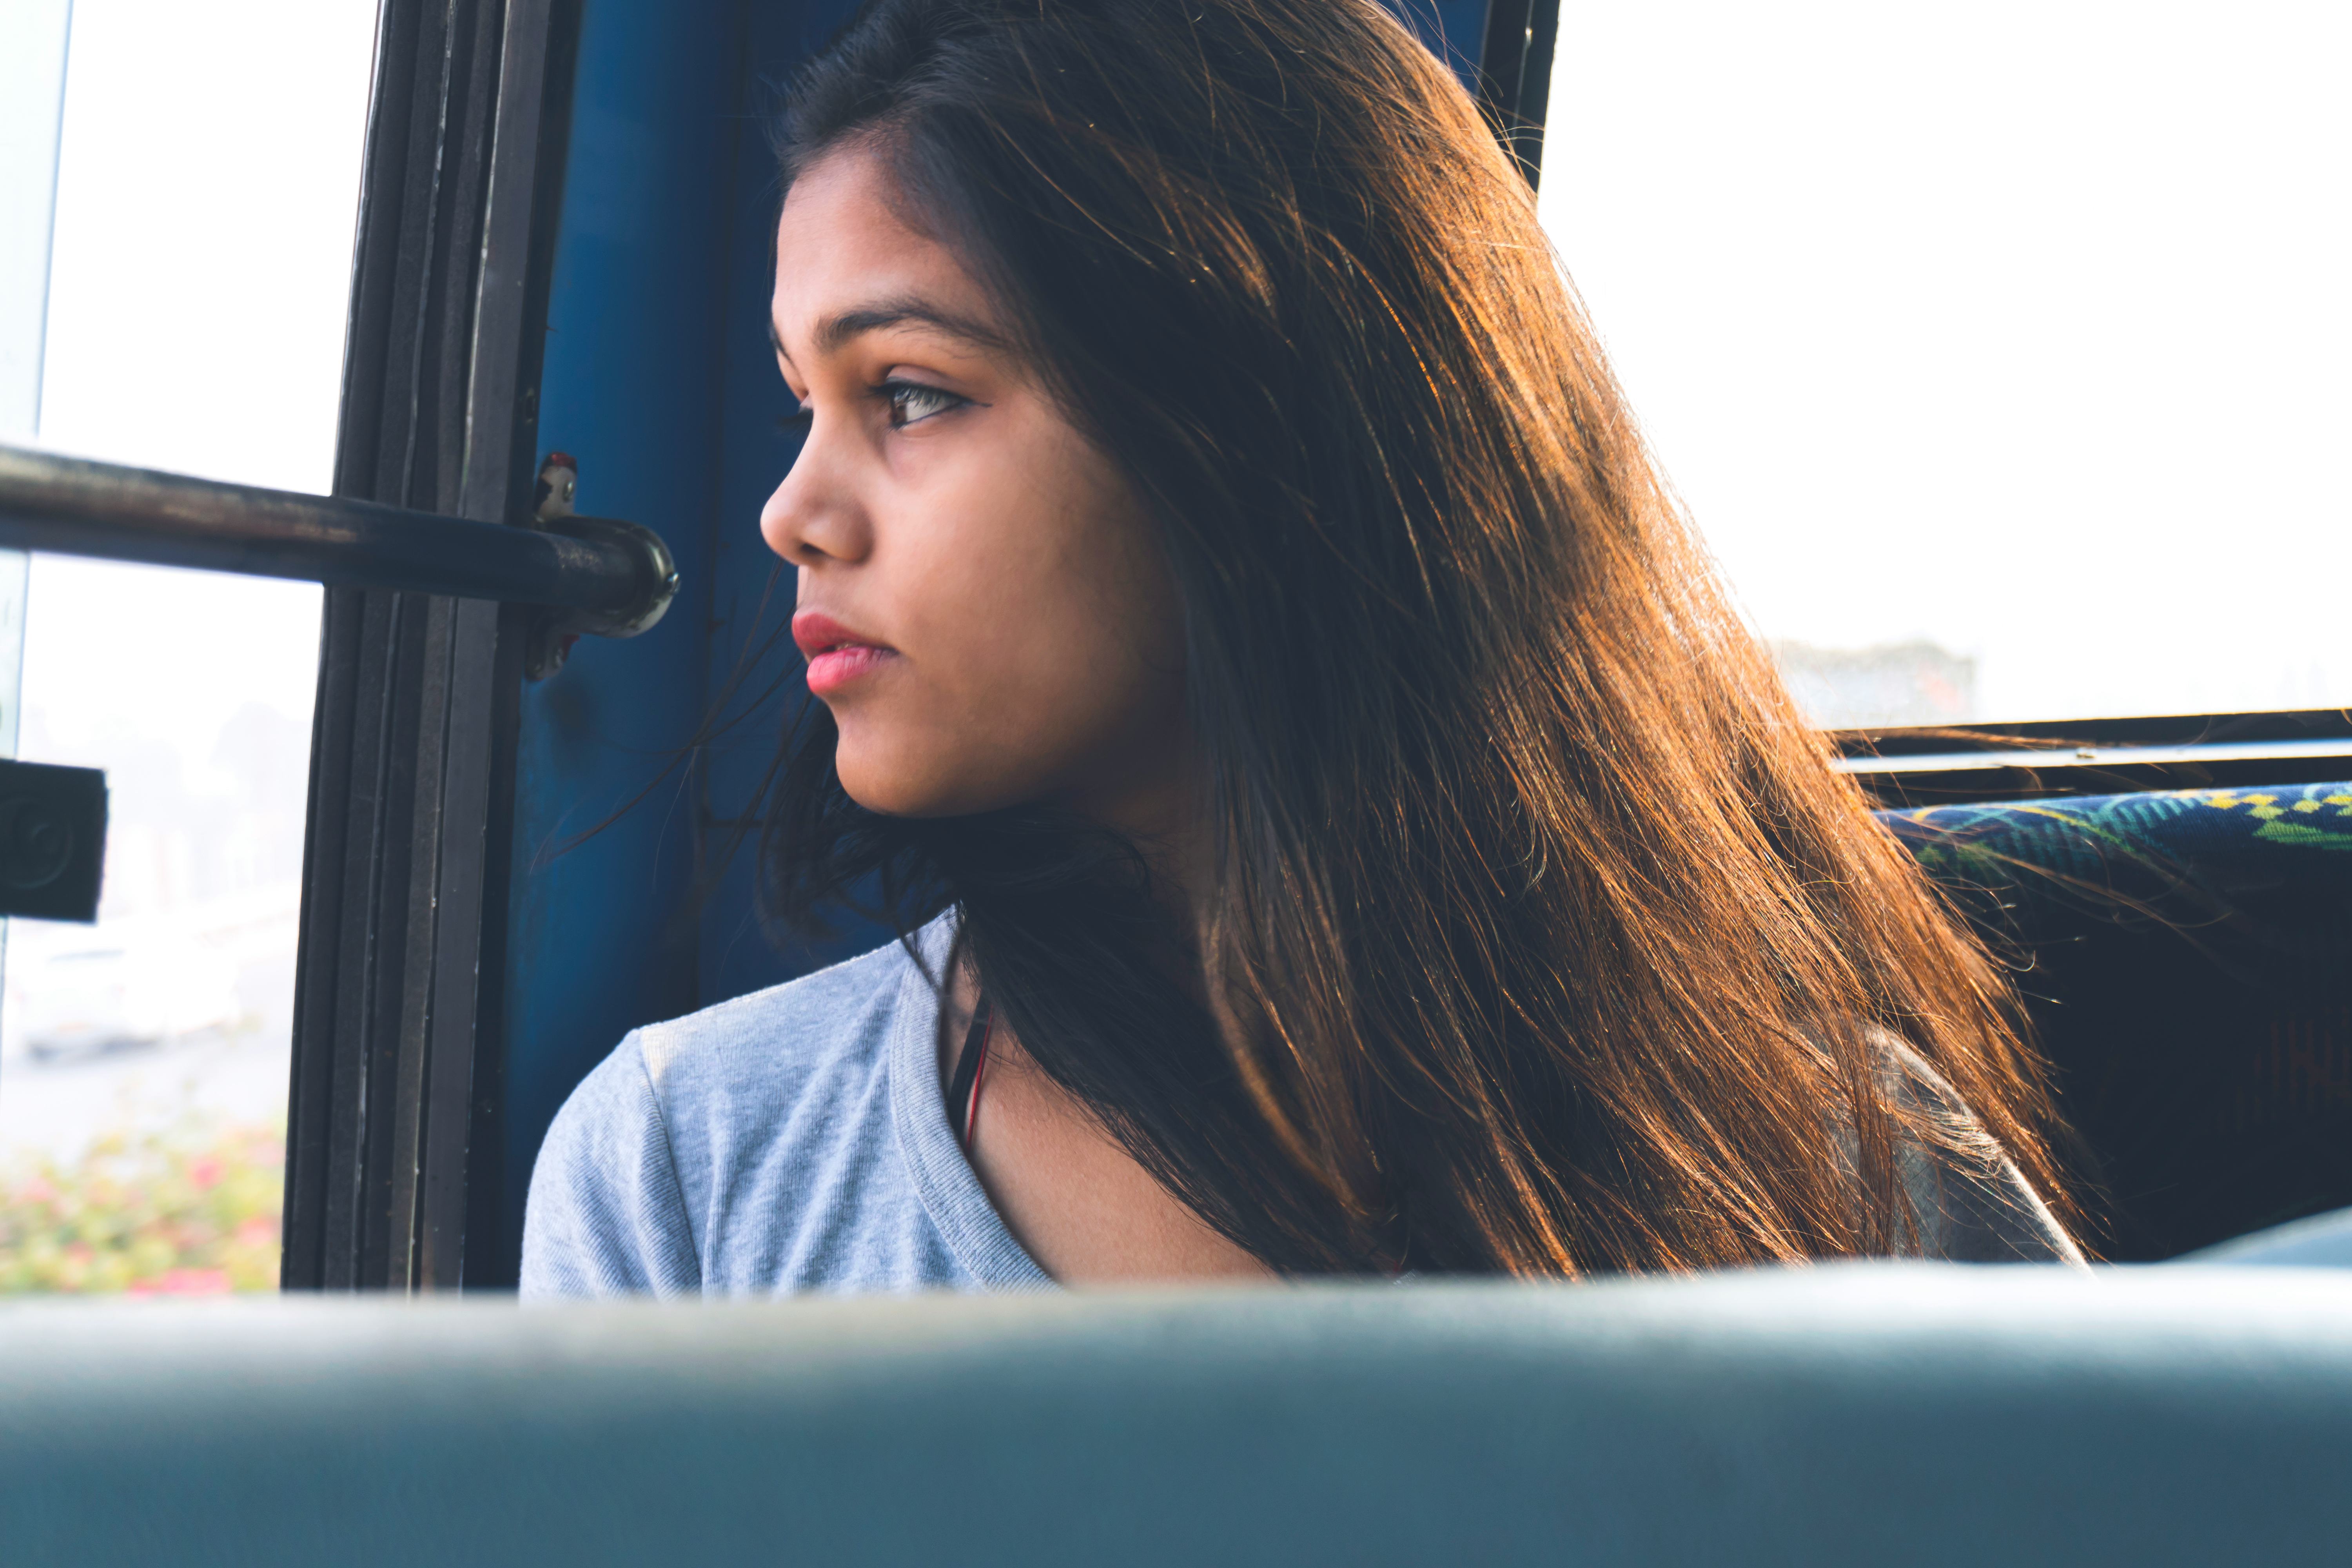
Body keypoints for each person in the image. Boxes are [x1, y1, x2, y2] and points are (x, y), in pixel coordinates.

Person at [519, 0, 2082, 1298]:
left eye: (910, 393)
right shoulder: (688, 1177)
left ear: (1256, 423)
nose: (794, 513)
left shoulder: (1824, 1155)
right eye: (806, 399)